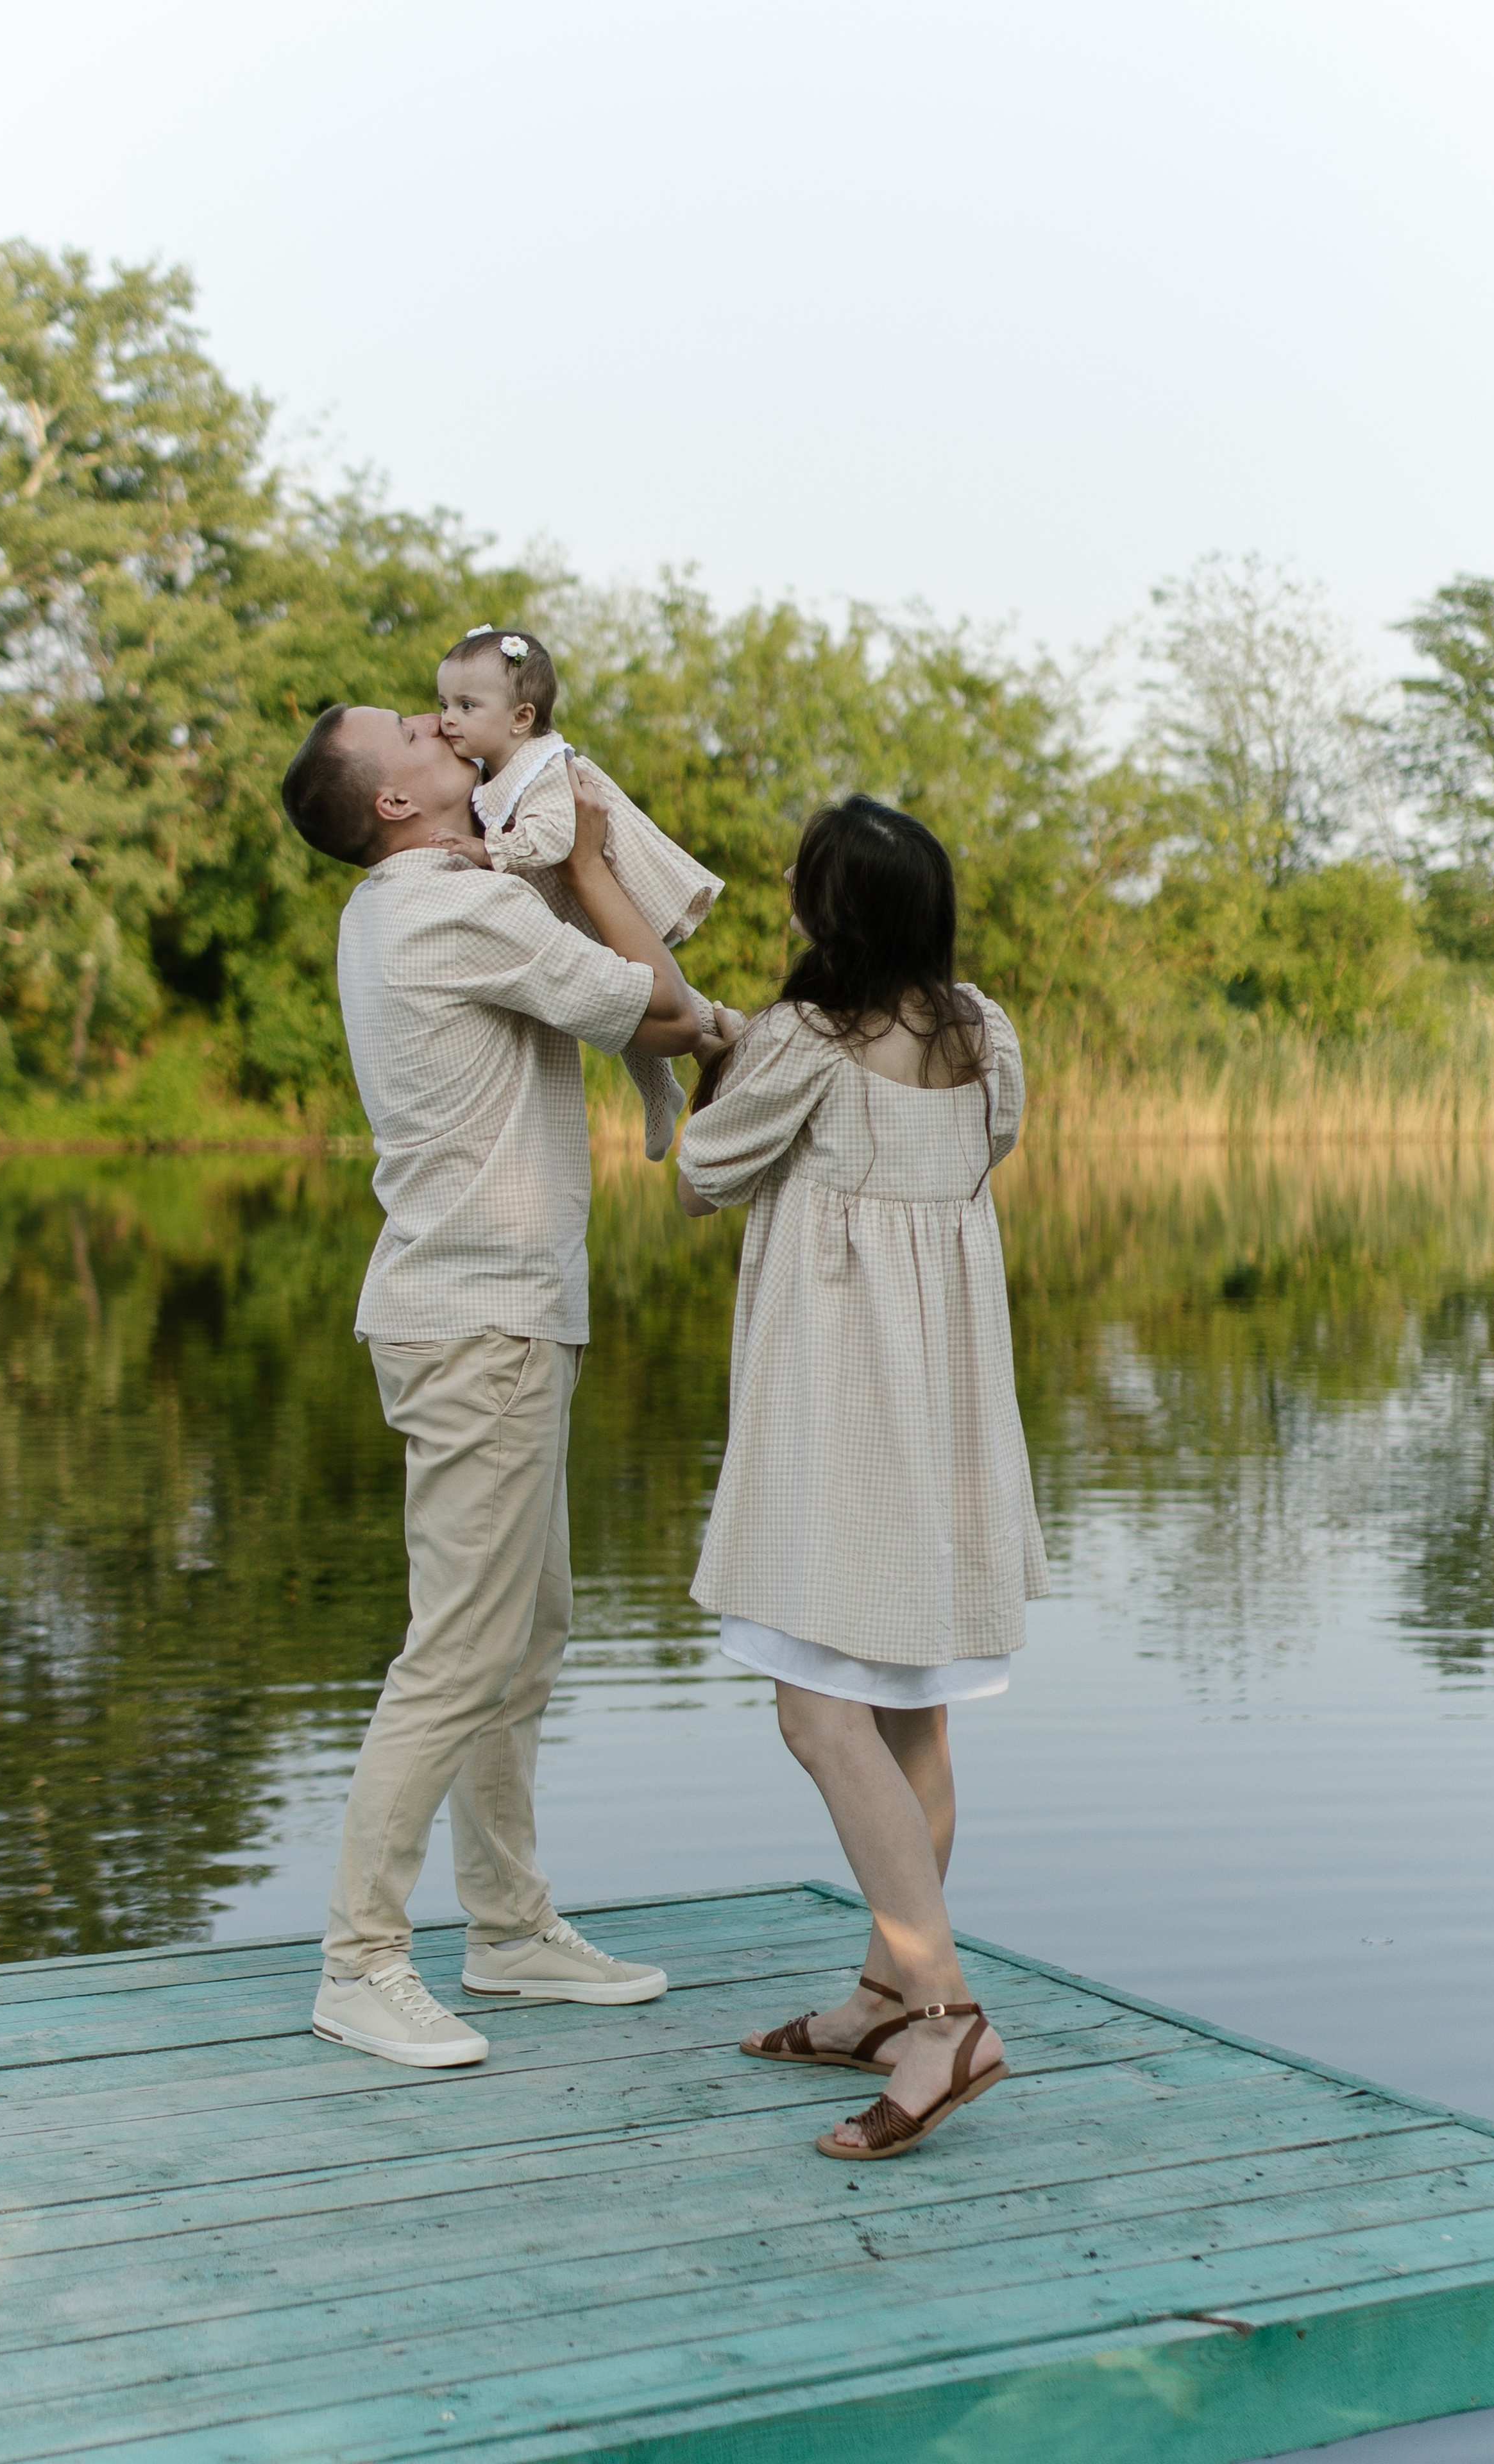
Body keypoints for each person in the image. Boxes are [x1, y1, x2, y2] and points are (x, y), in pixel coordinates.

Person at [280, 703, 722, 2069]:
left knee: (523, 1635)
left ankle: (510, 1928)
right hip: (480, 1325)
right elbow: (656, 1009)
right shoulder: (448, 910)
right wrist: (585, 857)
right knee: (463, 1649)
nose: (435, 719)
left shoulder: (413, 899)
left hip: (491, 1319)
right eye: (407, 730)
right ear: (392, 804)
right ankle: (359, 1963)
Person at [677, 794, 1050, 2159]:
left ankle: (945, 2013)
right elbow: (981, 1149)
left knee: (818, 1715)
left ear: (827, 913)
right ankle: (884, 1995)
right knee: (911, 1716)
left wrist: (722, 1056)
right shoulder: (985, 1034)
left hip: (832, 1411)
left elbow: (702, 1176)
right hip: (946, 1412)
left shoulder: (801, 1040)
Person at [434, 625, 721, 1161]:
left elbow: (554, 835)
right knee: (626, 1005)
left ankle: (726, 1032)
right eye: (444, 703)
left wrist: (488, 850)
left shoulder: (543, 768)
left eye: (466, 706)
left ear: (521, 718)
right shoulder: (497, 769)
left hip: (596, 898)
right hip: (565, 903)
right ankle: (663, 1088)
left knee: (644, 993)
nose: (447, 719)